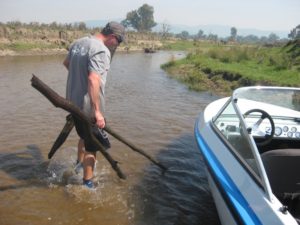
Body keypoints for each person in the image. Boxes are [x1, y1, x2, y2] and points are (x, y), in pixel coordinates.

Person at [63, 21, 125, 188]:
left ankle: (78, 165)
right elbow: (93, 78)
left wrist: (79, 78)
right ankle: (87, 184)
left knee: (84, 136)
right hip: (87, 107)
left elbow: (67, 63)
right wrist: (97, 111)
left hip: (71, 102)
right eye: (118, 42)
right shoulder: (101, 49)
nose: (117, 46)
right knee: (93, 145)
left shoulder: (79, 42)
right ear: (113, 37)